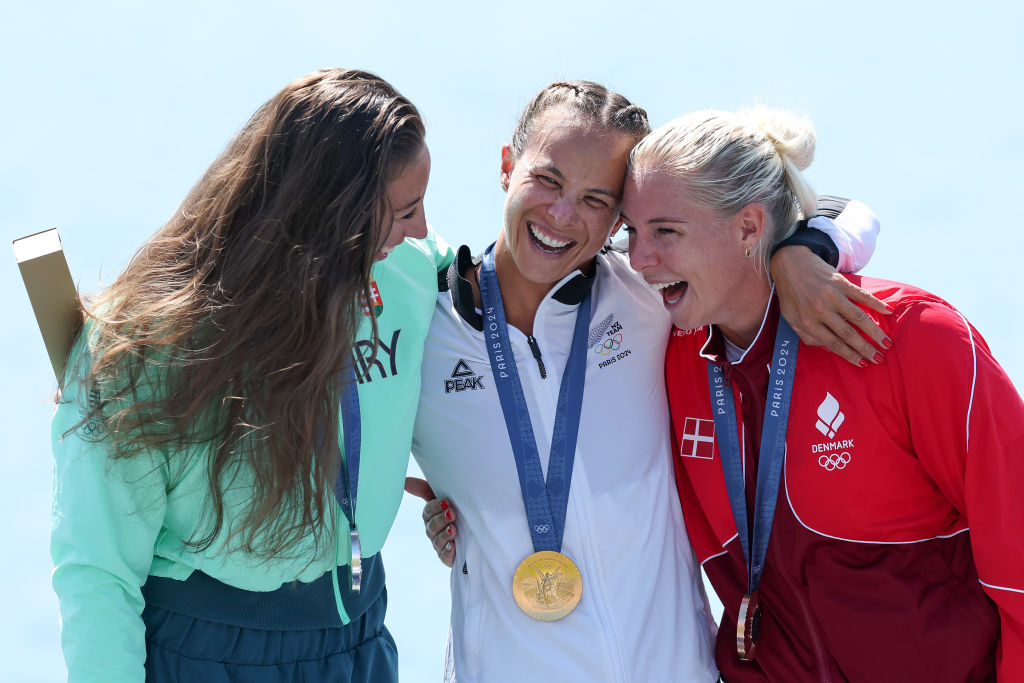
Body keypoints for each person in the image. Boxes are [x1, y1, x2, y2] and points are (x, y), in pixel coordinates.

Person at [407, 82, 886, 682]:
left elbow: (849, 211)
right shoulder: (422, 324)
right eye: (548, 181)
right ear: (508, 165)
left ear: (619, 217)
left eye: (596, 200)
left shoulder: (648, 295)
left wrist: (800, 252)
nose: (562, 215)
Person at [50, 68, 452, 682]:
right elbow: (98, 574)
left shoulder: (411, 272)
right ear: (330, 215)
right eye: (405, 210)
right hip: (211, 653)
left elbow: (510, 319)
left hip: (360, 634)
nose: (422, 230)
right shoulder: (146, 350)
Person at [622, 106, 1024, 681]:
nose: (639, 259)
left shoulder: (909, 335)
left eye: (665, 231)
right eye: (630, 231)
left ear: (749, 227)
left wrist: (805, 246)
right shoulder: (662, 351)